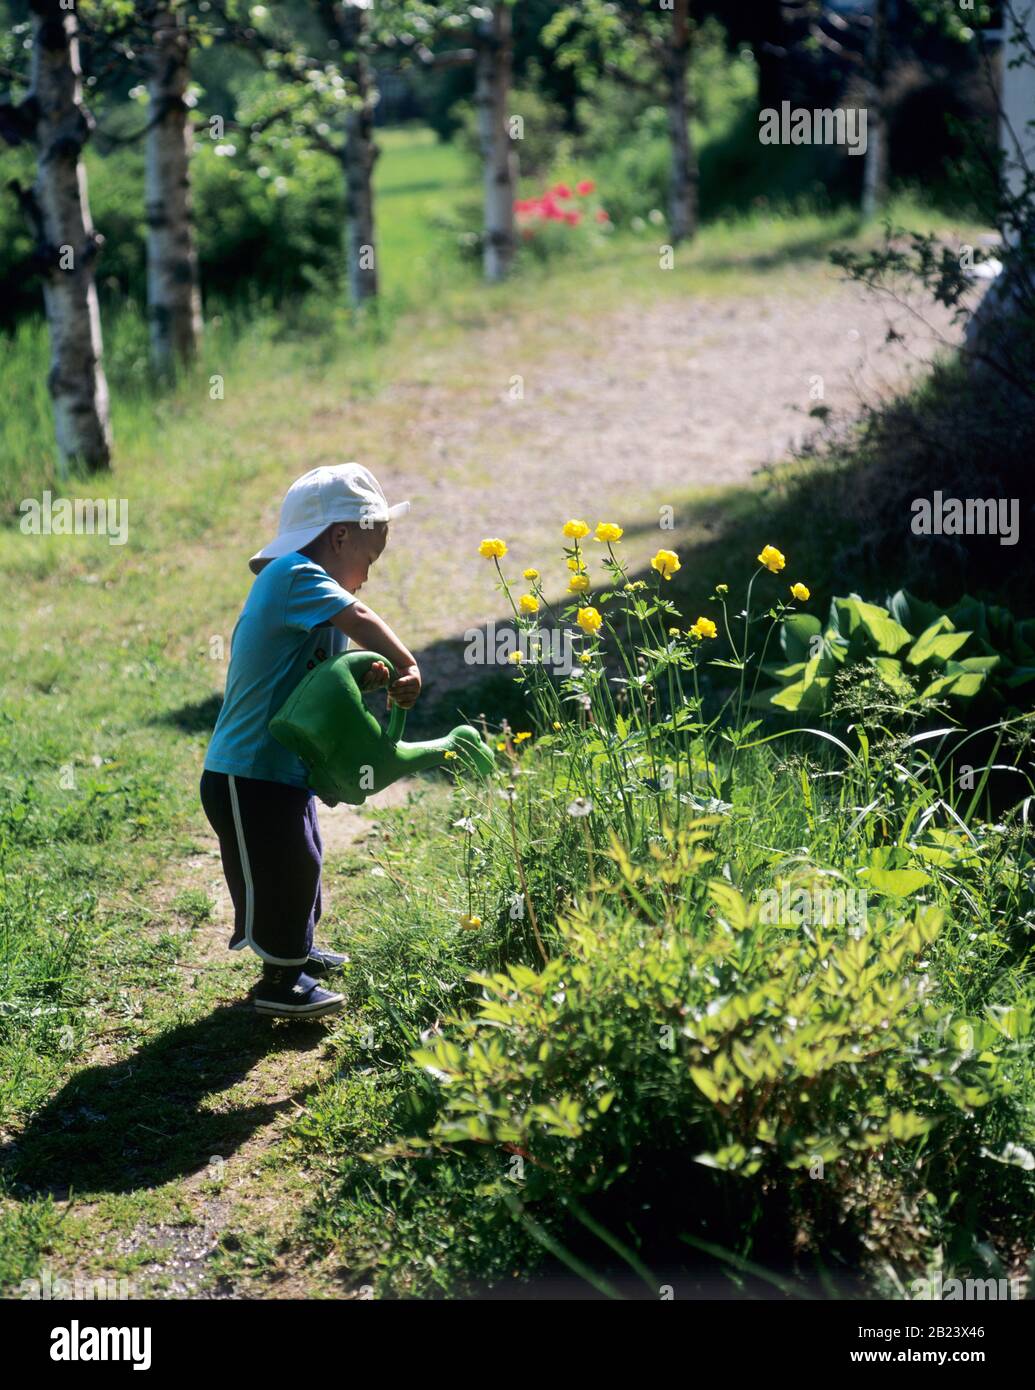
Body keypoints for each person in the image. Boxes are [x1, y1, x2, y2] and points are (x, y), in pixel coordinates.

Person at [200, 463, 420, 1018]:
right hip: (245, 772)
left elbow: (317, 678)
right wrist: (403, 661)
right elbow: (363, 613)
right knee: (282, 869)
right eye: (368, 560)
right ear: (340, 535)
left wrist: (363, 675)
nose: (367, 577)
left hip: (279, 770)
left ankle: (295, 955)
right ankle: (279, 982)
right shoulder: (293, 575)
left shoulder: (311, 595)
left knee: (304, 860)